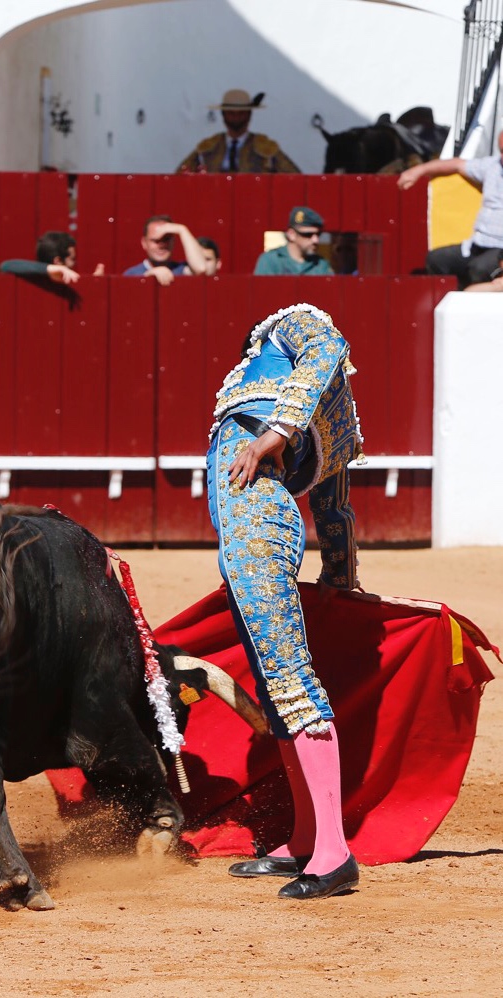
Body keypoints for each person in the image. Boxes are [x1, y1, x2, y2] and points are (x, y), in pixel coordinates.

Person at [206, 303, 362, 900]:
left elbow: (327, 343)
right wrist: (340, 579)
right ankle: (304, 839)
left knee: (290, 680)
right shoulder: (337, 426)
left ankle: (333, 853)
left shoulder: (286, 324)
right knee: (276, 685)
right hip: (249, 526)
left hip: (256, 521)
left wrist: (276, 433)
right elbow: (335, 512)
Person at [397, 130, 503, 289]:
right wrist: (418, 171)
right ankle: (446, 306)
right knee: (436, 260)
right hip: (477, 244)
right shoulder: (492, 166)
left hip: (500, 249)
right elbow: (456, 164)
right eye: (502, 150)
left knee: (478, 269)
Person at [177, 89, 300, 175]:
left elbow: (295, 178)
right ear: (223, 115)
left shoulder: (267, 148)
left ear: (249, 115)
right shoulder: (207, 148)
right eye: (231, 113)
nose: (236, 117)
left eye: (241, 113)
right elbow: (179, 178)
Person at [123, 215, 207, 284]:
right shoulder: (131, 274)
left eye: (166, 239)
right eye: (156, 241)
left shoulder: (181, 269)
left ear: (173, 241)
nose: (161, 245)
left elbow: (201, 268)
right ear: (144, 243)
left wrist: (182, 229)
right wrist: (147, 278)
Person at [0, 230, 104, 285]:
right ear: (58, 261)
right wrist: (54, 268)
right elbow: (5, 266)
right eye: (72, 259)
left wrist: (94, 283)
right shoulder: (31, 280)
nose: (75, 263)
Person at [254, 206, 334, 276]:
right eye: (308, 234)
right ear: (291, 234)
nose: (315, 240)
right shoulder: (271, 261)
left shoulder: (321, 265)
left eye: (318, 234)